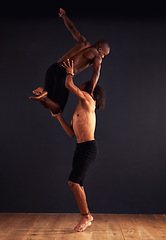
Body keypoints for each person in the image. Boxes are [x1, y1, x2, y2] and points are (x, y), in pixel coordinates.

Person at [51, 59, 105, 232]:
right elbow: (71, 133)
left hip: (89, 148)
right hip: (80, 148)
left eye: (81, 86)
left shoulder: (89, 100)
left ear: (87, 89)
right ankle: (86, 215)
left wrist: (69, 72)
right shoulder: (77, 111)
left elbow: (68, 84)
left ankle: (86, 216)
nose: (79, 87)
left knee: (73, 182)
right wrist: (59, 117)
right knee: (77, 184)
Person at [29, 8, 109, 114]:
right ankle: (43, 96)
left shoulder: (83, 42)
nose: (102, 57)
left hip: (54, 68)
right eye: (104, 55)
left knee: (47, 103)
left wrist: (64, 16)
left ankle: (42, 93)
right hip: (63, 74)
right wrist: (92, 90)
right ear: (100, 50)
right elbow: (96, 72)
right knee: (58, 109)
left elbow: (72, 28)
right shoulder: (96, 55)